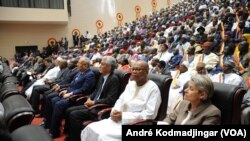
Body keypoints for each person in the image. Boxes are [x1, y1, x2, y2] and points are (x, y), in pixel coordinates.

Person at [80, 61, 161, 141]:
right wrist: (115, 111)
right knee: (90, 128)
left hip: (133, 124)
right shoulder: (131, 84)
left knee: (103, 136)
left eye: (138, 69)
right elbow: (120, 100)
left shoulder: (153, 89)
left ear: (147, 71)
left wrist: (124, 116)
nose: (134, 71)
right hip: (117, 120)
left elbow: (150, 115)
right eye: (133, 69)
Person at [64, 56, 120, 141]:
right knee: (68, 110)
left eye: (102, 64)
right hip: (94, 104)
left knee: (74, 114)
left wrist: (94, 102)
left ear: (109, 67)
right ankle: (71, 136)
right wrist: (89, 98)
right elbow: (96, 91)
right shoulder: (102, 76)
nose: (100, 66)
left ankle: (75, 139)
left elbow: (110, 100)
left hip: (100, 108)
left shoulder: (114, 79)